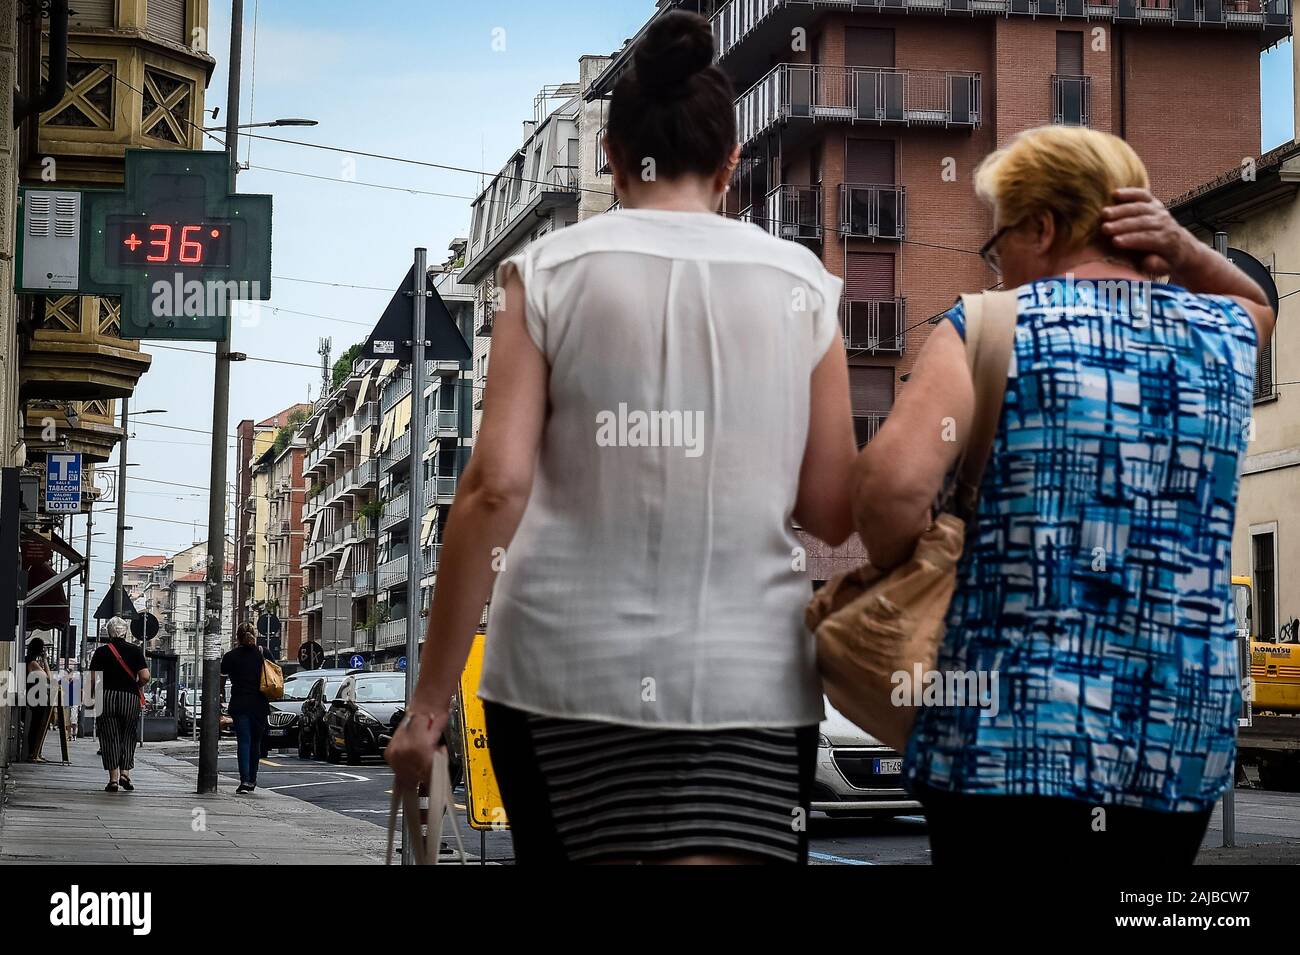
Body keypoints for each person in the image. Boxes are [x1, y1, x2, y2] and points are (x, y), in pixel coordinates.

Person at [386, 10, 857, 865]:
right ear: (731, 164)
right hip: (750, 679)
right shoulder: (806, 290)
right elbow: (830, 507)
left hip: (565, 674)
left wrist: (426, 712)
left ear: (612, 157)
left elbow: (494, 489)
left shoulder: (548, 277)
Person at [853, 125, 1275, 865]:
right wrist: (1182, 248)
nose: (998, 265)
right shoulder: (1225, 333)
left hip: (1003, 740)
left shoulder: (988, 328)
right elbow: (1255, 301)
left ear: (1043, 226)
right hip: (1171, 745)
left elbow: (889, 492)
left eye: (1001, 241)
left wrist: (916, 566)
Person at [88, 617, 149, 792]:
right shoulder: (135, 651)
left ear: (109, 633)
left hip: (105, 697)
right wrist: (136, 686)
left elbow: (92, 679)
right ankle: (125, 773)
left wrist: (90, 699)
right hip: (129, 698)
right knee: (128, 735)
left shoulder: (101, 652)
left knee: (109, 736)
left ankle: (113, 780)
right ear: (125, 632)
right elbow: (145, 676)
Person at [222, 622, 270, 794]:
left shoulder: (230, 657)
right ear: (255, 635)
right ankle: (252, 779)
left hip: (240, 704)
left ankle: (244, 781)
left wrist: (220, 701)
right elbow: (275, 674)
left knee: (243, 742)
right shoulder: (263, 653)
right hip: (260, 704)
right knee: (256, 743)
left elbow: (220, 679)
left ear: (237, 637)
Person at [24, 637, 52, 762]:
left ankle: (36, 753)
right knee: (37, 725)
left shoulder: (30, 661)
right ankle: (33, 753)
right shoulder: (33, 663)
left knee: (37, 725)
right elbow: (48, 677)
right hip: (36, 697)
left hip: (35, 696)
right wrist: (45, 661)